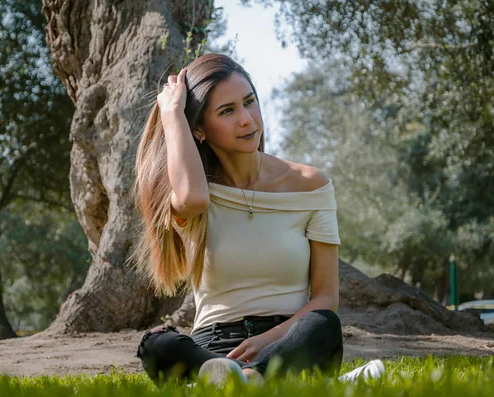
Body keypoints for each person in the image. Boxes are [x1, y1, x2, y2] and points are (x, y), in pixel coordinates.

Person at [131, 53, 384, 385]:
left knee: (323, 323)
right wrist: (171, 112)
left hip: (288, 340)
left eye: (249, 102)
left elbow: (325, 296)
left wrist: (267, 341)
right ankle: (258, 383)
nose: (247, 119)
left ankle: (243, 382)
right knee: (156, 343)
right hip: (215, 351)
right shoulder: (190, 191)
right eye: (227, 111)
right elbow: (194, 198)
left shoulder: (311, 185)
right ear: (199, 130)